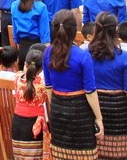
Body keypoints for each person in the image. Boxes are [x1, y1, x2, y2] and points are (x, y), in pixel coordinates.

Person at [44, 9, 103, 160]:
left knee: (60, 154)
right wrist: (99, 118)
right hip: (80, 112)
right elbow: (90, 91)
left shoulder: (47, 53)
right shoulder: (83, 56)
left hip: (57, 110)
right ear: (74, 30)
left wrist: (56, 106)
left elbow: (49, 87)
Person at [88, 12, 127, 160]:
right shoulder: (124, 57)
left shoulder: (87, 54)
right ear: (115, 30)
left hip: (94, 106)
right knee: (121, 154)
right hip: (119, 109)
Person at [11, 48, 46, 160]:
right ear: (42, 68)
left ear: (25, 64)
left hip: (17, 124)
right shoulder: (43, 84)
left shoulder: (17, 77)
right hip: (34, 126)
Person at [11, 0, 51, 67]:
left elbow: (15, 34)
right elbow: (45, 37)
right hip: (37, 51)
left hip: (22, 49)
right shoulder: (41, 7)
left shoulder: (14, 5)